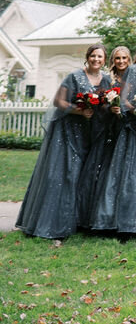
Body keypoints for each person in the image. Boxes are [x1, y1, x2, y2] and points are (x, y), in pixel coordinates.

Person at [17, 44, 110, 240]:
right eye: (93, 56)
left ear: (104, 59)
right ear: (88, 57)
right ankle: (53, 223)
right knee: (66, 175)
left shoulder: (107, 80)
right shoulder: (74, 76)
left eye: (100, 56)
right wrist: (79, 110)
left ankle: (78, 221)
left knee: (84, 178)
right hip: (69, 131)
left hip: (92, 134)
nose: (96, 59)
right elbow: (59, 101)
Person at [90, 35, 136, 235]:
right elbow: (124, 100)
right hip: (134, 128)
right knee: (130, 172)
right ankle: (122, 223)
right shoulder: (133, 70)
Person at [76, 45, 127, 230]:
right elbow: (100, 103)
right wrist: (110, 109)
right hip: (107, 129)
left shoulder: (132, 77)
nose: (121, 62)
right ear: (112, 61)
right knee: (100, 171)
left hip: (126, 129)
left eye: (124, 58)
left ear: (129, 60)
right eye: (117, 58)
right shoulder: (107, 79)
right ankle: (91, 216)